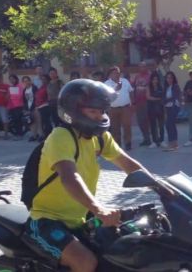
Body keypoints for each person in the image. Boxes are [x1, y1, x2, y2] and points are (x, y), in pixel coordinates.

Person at [23, 78, 147, 272]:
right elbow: (69, 177)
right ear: (73, 111)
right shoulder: (61, 136)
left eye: (102, 111)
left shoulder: (100, 137)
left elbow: (126, 162)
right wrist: (99, 209)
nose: (99, 117)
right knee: (85, 262)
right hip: (47, 220)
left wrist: (163, 187)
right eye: (93, 111)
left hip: (80, 218)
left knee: (124, 249)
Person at [104, 66, 134, 151]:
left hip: (125, 108)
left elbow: (131, 91)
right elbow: (107, 96)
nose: (117, 74)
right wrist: (116, 88)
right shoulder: (107, 83)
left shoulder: (125, 81)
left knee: (127, 125)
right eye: (114, 73)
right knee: (115, 128)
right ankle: (117, 145)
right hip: (113, 109)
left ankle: (128, 143)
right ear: (110, 75)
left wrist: (133, 103)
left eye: (118, 72)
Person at [132, 62, 152, 146]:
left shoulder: (150, 76)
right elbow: (133, 87)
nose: (142, 68)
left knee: (147, 121)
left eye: (144, 66)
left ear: (147, 67)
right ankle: (145, 138)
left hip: (147, 102)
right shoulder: (137, 76)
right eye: (140, 67)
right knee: (140, 121)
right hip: (138, 102)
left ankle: (151, 139)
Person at [163, 71, 182, 151]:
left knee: (169, 124)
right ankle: (175, 143)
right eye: (167, 78)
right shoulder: (166, 87)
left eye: (171, 77)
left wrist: (165, 100)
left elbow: (174, 97)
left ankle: (171, 143)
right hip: (168, 107)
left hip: (174, 107)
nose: (169, 79)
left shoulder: (175, 86)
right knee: (171, 125)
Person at [147, 72, 165, 148]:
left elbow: (163, 97)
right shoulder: (148, 87)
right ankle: (154, 141)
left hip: (160, 108)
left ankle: (162, 141)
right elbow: (148, 97)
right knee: (153, 126)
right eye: (154, 79)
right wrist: (157, 98)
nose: (155, 81)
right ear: (151, 80)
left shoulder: (161, 87)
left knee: (161, 125)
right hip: (151, 108)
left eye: (156, 79)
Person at [22, 76, 41, 141]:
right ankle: (34, 135)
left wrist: (36, 106)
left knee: (38, 121)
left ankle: (40, 135)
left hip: (35, 107)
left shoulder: (34, 88)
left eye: (27, 80)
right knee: (31, 122)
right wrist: (25, 109)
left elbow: (37, 97)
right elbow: (24, 100)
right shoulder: (24, 90)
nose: (26, 82)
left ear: (30, 81)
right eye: (24, 81)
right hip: (28, 108)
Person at [7, 74, 25, 140]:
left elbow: (20, 96)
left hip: (18, 106)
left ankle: (20, 134)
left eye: (13, 79)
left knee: (18, 120)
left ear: (16, 79)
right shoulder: (10, 87)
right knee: (14, 121)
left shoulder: (19, 86)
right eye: (10, 79)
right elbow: (8, 97)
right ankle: (16, 134)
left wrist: (12, 96)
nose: (12, 80)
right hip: (11, 106)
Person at [35, 74, 52, 140]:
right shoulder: (42, 86)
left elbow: (49, 96)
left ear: (48, 79)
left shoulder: (48, 86)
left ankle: (48, 135)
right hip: (40, 106)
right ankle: (45, 135)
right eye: (42, 79)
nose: (43, 80)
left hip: (45, 106)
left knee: (46, 122)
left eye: (44, 79)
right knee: (43, 122)